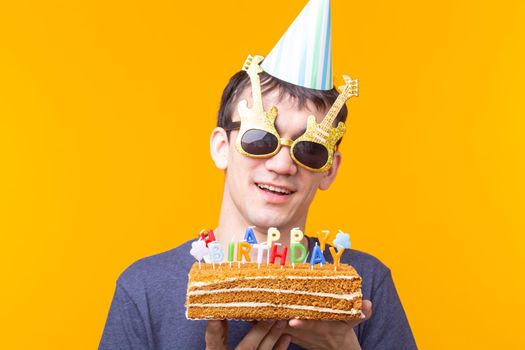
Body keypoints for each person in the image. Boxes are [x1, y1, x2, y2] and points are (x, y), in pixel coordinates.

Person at [99, 1, 417, 349]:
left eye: (309, 149)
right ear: (223, 147)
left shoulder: (365, 283)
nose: (282, 165)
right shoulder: (144, 290)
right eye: (260, 139)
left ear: (329, 169)